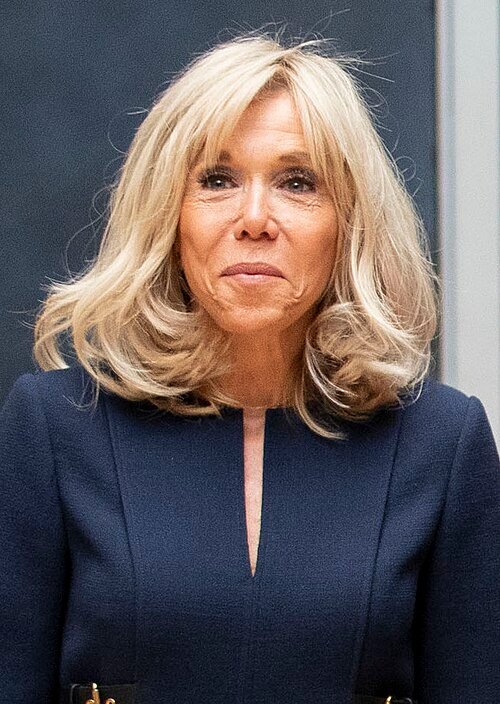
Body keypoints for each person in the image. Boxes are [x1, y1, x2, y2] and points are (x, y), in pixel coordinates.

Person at [1, 33, 498, 704]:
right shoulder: (55, 428)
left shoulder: (442, 443)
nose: (255, 218)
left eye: (297, 182)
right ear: (168, 214)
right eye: (217, 180)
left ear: (349, 222)